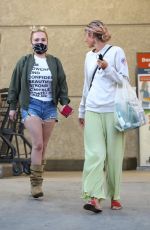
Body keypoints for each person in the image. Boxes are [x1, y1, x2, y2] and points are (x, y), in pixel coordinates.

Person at [7, 26, 71, 198]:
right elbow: (14, 85)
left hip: (50, 107)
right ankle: (35, 185)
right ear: (31, 42)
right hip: (31, 105)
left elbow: (62, 85)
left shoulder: (55, 62)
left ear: (47, 41)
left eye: (43, 39)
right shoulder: (24, 61)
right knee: (38, 144)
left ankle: (39, 181)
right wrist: (12, 107)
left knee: (44, 147)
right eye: (36, 40)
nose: (40, 42)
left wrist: (65, 104)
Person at [78, 20, 129, 213]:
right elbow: (86, 85)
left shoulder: (117, 52)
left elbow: (124, 81)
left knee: (114, 156)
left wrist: (108, 68)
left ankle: (115, 196)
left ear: (93, 35)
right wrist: (82, 110)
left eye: (86, 35)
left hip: (113, 110)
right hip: (92, 109)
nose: (85, 39)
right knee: (95, 154)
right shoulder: (87, 57)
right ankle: (94, 198)